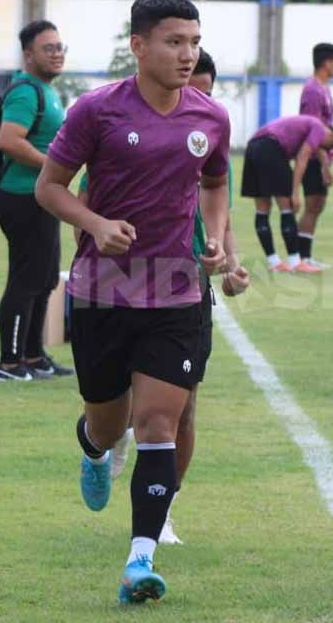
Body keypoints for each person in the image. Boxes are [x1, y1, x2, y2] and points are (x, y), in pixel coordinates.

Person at [33, 0, 231, 604]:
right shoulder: (97, 111)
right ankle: (93, 448)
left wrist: (217, 241)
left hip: (175, 293)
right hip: (103, 291)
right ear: (138, 45)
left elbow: (218, 183)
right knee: (108, 419)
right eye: (174, 42)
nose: (186, 54)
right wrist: (94, 226)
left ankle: (138, 561)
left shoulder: (210, 117)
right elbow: (50, 188)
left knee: (158, 423)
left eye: (193, 42)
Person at [81, 50, 252, 545]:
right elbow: (89, 202)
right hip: (119, 287)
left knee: (183, 409)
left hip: (185, 288)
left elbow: (220, 207)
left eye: (203, 90)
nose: (192, 99)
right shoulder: (122, 133)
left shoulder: (207, 133)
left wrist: (232, 264)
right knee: (118, 412)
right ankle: (103, 441)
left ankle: (163, 511)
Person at [0, 19, 74, 382]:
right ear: (29, 55)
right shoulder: (26, 91)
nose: (57, 55)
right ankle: (9, 364)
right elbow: (9, 140)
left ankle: (33, 355)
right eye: (48, 48)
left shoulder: (46, 90)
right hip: (23, 197)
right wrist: (53, 167)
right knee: (25, 281)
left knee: (45, 279)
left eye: (60, 48)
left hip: (42, 198)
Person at [242, 114, 333, 271]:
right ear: (330, 135)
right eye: (327, 146)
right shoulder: (319, 128)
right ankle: (296, 262)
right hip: (272, 148)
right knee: (286, 207)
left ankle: (274, 262)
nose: (320, 148)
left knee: (262, 209)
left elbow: (308, 153)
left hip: (253, 147)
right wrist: (294, 193)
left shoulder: (303, 127)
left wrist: (325, 168)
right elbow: (302, 158)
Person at [295, 42, 333, 272]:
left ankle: (305, 255)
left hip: (322, 156)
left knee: (317, 204)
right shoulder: (313, 90)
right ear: (326, 62)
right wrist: (324, 163)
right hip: (313, 157)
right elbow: (313, 130)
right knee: (313, 203)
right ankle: (301, 257)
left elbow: (328, 129)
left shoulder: (323, 88)